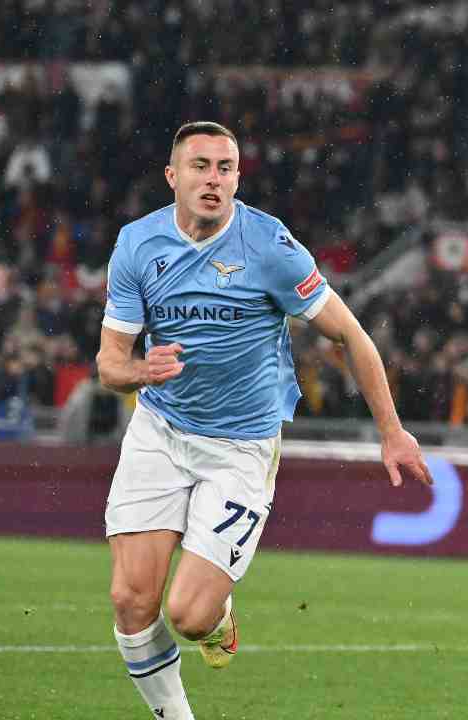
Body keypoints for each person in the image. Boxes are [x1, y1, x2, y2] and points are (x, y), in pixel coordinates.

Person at [97, 121, 431, 719]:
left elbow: (350, 335)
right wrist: (142, 371)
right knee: (130, 601)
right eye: (200, 166)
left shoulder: (270, 247)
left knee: (189, 616)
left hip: (240, 448)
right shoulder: (137, 245)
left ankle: (217, 616)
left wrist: (391, 430)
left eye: (225, 168)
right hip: (160, 432)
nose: (213, 179)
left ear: (237, 179)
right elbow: (109, 364)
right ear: (172, 176)